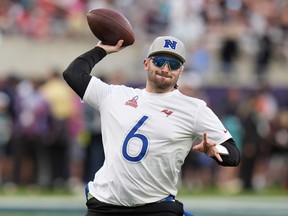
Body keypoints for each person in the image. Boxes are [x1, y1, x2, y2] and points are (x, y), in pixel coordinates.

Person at [63, 36, 240, 216]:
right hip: (106, 204)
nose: (165, 69)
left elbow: (233, 154)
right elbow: (73, 74)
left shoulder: (194, 108)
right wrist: (101, 50)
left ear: (181, 71)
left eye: (173, 65)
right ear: (146, 63)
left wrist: (214, 150)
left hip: (156, 206)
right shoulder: (116, 95)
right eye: (160, 62)